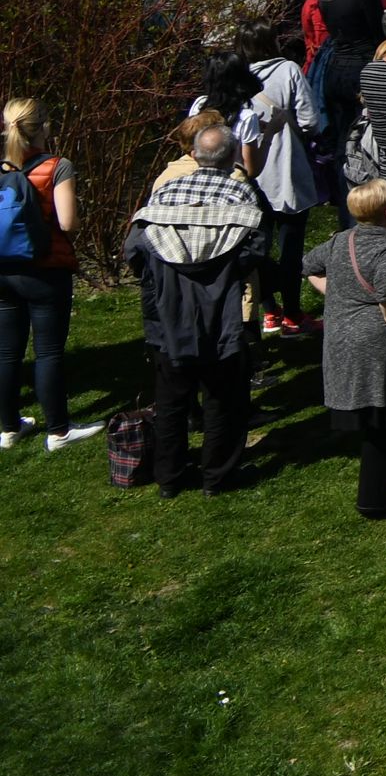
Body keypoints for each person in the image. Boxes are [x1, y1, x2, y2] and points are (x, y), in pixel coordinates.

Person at [130, 115, 264, 495]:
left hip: (166, 316)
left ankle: (169, 479)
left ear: (194, 154)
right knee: (224, 397)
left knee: (171, 399)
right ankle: (216, 477)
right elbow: (254, 249)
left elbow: (135, 249)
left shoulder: (165, 193)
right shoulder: (241, 195)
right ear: (232, 156)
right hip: (221, 315)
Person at [306, 178, 386, 519]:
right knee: (383, 420)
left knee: (382, 420)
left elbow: (308, 266)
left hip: (341, 338)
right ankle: (374, 500)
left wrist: (336, 294)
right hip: (377, 342)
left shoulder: (340, 240)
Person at [0, 100, 95, 448]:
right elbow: (68, 222)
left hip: (3, 272)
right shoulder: (58, 166)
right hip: (45, 271)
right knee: (48, 351)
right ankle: (58, 430)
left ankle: (9, 428)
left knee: (7, 352)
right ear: (44, 127)